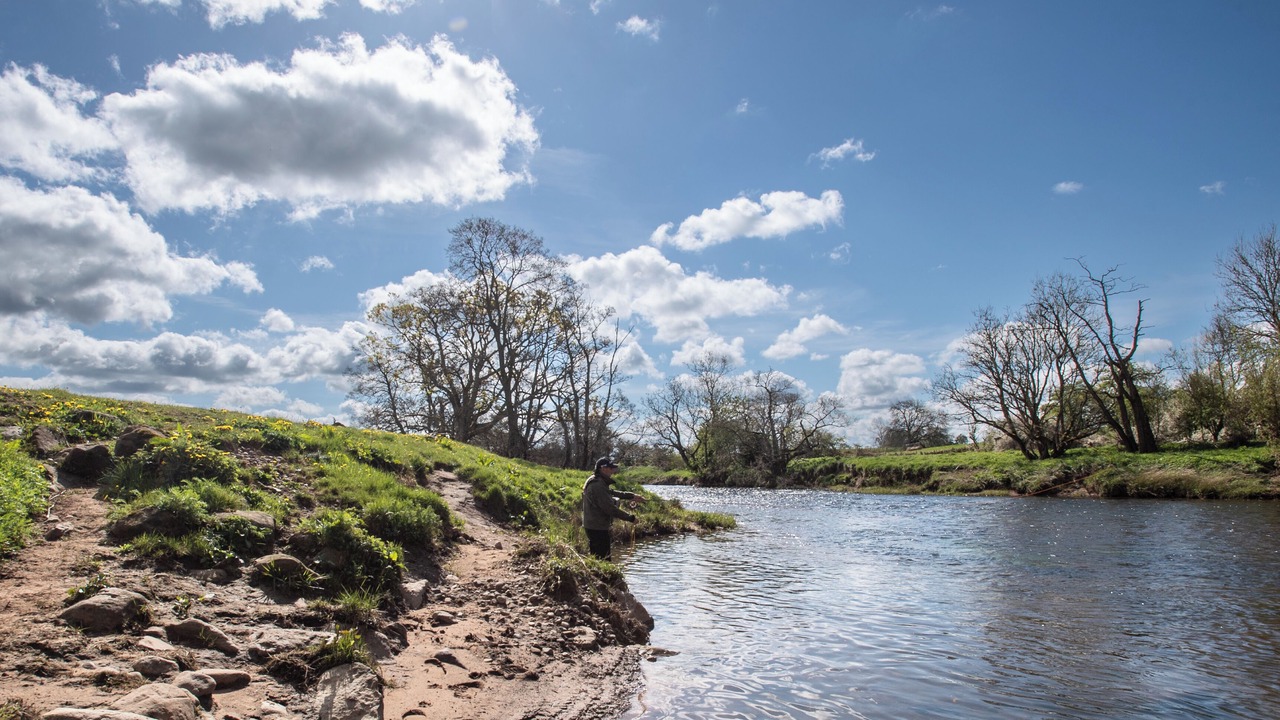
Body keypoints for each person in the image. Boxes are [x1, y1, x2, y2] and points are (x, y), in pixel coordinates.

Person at [581, 456, 641, 560]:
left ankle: (599, 574)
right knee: (603, 559)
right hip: (596, 528)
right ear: (603, 468)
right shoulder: (597, 485)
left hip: (595, 526)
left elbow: (611, 492)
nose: (613, 471)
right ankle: (602, 575)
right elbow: (610, 509)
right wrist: (631, 518)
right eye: (611, 468)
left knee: (599, 558)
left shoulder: (597, 481)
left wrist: (632, 496)